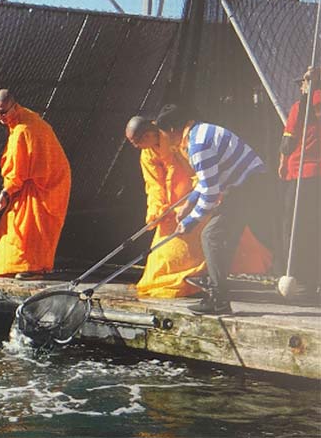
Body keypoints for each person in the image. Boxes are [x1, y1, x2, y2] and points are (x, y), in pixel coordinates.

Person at [125, 116, 272, 298]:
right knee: (163, 258)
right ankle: (213, 288)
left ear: (147, 134)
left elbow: (202, 173)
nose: (136, 147)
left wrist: (192, 205)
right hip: (175, 205)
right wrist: (157, 209)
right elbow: (153, 184)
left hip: (199, 196)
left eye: (137, 142)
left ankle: (215, 290)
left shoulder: (176, 139)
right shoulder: (147, 154)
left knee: (211, 236)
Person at [156, 103, 267, 314]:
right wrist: (188, 204)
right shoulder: (201, 132)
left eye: (163, 133)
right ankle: (217, 292)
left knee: (211, 236)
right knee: (222, 237)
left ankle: (218, 299)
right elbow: (207, 182)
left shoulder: (198, 145)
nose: (165, 138)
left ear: (171, 129)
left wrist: (189, 222)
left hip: (249, 188)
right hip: (249, 186)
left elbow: (210, 193)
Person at [0, 89, 72, 279]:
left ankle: (33, 268)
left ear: (14, 106)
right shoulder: (22, 117)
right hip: (40, 178)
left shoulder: (23, 130)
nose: (0, 117)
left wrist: (5, 193)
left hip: (47, 183)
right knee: (17, 223)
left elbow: (18, 172)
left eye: (3, 112)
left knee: (28, 225)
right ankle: (19, 265)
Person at [278, 67, 321, 295]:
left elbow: (288, 143)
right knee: (315, 227)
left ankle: (297, 277)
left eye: (302, 83)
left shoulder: (300, 107)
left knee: (294, 227)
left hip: (300, 174)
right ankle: (313, 279)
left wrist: (282, 160)